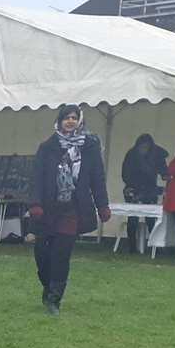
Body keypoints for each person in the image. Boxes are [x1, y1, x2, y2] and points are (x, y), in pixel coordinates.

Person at [28, 104, 110, 314]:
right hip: (48, 208)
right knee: (42, 253)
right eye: (67, 117)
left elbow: (97, 179)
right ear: (60, 120)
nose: (71, 121)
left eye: (74, 117)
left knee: (61, 255)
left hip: (73, 209)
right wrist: (35, 204)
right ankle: (47, 284)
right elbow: (36, 177)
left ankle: (55, 299)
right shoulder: (47, 147)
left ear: (80, 121)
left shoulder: (90, 147)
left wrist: (103, 205)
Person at [120, 133, 169, 251]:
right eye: (142, 147)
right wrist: (134, 187)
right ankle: (132, 246)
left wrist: (167, 176)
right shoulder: (131, 155)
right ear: (137, 146)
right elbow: (125, 174)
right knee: (133, 218)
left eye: (146, 147)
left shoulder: (156, 154)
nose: (144, 150)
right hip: (133, 189)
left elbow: (164, 171)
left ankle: (153, 247)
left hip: (150, 189)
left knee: (151, 218)